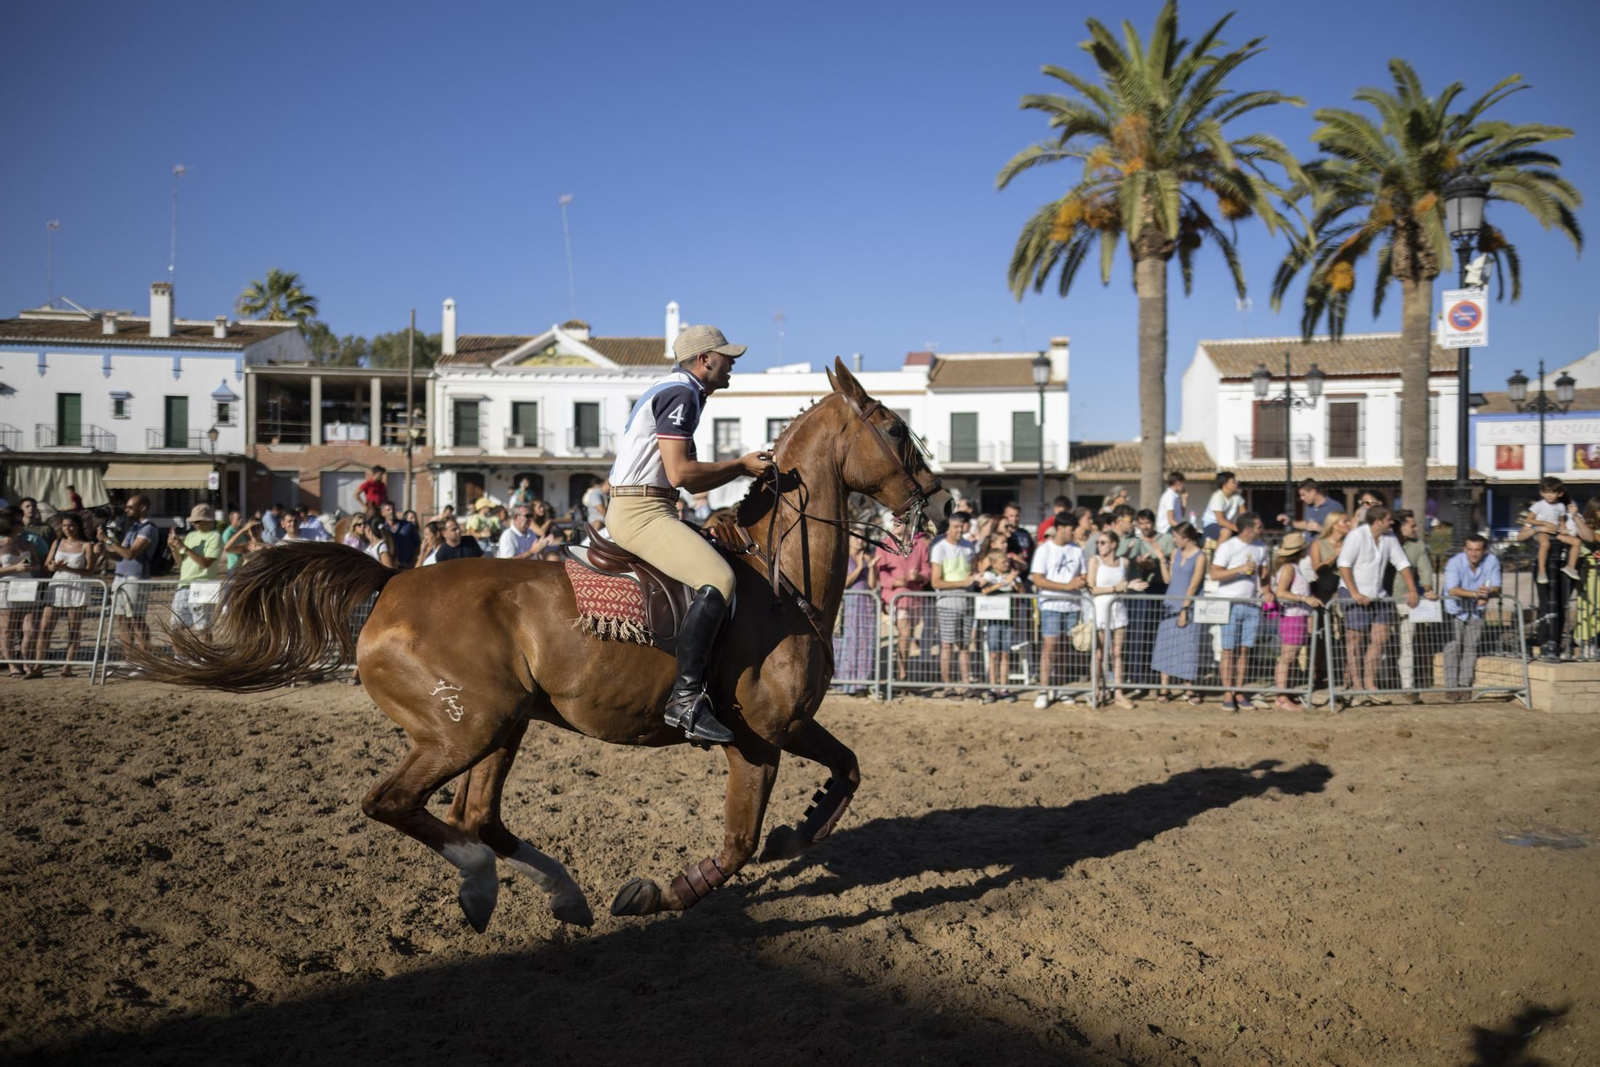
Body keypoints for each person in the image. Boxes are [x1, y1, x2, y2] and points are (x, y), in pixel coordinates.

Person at [603, 323, 769, 745]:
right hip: (641, 510)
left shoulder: (679, 391)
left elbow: (691, 484)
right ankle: (685, 699)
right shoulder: (683, 394)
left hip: (651, 504)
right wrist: (740, 465)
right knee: (721, 579)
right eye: (726, 356)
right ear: (704, 360)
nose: (732, 363)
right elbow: (681, 473)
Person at [1337, 506, 1420, 705]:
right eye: (1389, 519)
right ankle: (1357, 687)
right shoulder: (1356, 536)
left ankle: (1370, 684)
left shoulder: (1390, 538)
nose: (1393, 523)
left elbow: (1402, 563)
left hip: (1379, 595)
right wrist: (1355, 593)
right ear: (1377, 521)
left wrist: (1412, 589)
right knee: (1354, 641)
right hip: (1353, 592)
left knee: (1380, 639)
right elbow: (1344, 565)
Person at [1208, 511, 1268, 712]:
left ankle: (1239, 690)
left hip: (1251, 604)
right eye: (1259, 527)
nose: (1262, 530)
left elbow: (1264, 575)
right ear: (1248, 529)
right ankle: (1228, 692)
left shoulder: (1261, 547)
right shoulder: (1228, 546)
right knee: (1229, 649)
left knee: (1245, 649)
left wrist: (1267, 591)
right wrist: (1239, 570)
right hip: (1230, 604)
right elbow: (1214, 573)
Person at [1030, 518, 1088, 708]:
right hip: (1051, 606)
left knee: (1065, 649)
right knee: (1049, 648)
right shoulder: (1044, 550)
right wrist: (1066, 586)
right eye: (1072, 528)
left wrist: (1081, 581)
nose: (1074, 532)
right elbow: (1038, 579)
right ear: (1061, 528)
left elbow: (1084, 574)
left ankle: (1061, 687)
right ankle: (1044, 690)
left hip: (1072, 606)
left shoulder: (1077, 549)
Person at [1087, 529, 1146, 709]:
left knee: (1117, 653)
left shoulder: (1124, 562)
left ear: (1113, 544)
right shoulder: (1094, 561)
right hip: (1100, 610)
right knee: (1099, 654)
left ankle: (1118, 692)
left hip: (1118, 611)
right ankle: (1096, 690)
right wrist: (1116, 588)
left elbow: (1124, 586)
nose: (1100, 546)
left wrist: (1130, 586)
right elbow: (1092, 588)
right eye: (1098, 543)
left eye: (1103, 542)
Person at [1441, 535, 1503, 701]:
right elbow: (1453, 589)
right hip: (1454, 609)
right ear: (1464, 549)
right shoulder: (1455, 562)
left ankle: (1464, 685)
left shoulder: (1492, 561)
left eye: (1477, 550)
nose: (1474, 554)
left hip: (1476, 610)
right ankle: (1451, 686)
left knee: (1471, 647)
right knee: (1453, 647)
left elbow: (1497, 585)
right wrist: (1476, 594)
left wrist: (1489, 593)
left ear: (1484, 550)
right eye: (1470, 550)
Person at [1151, 522, 1207, 704]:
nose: (1173, 540)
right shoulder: (1175, 553)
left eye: (1176, 537)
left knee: (1188, 646)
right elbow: (1168, 579)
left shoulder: (1200, 557)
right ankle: (1164, 687)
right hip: (1169, 603)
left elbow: (1193, 585)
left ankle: (1189, 688)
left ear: (1186, 538)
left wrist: (1184, 609)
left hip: (1188, 606)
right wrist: (1161, 559)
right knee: (1165, 645)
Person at [99, 494, 160, 660]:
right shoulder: (133, 528)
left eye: (130, 507)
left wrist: (107, 540)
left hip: (136, 577)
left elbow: (131, 553)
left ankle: (144, 659)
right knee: (121, 619)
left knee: (137, 619)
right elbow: (121, 555)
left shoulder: (148, 528)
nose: (126, 510)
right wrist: (105, 551)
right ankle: (129, 658)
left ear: (143, 507)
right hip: (120, 576)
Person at [39, 511, 98, 676]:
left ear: (78, 526)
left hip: (77, 584)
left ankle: (68, 666)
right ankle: (38, 665)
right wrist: (53, 566)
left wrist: (66, 567)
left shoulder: (86, 545)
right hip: (57, 585)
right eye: (64, 525)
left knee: (73, 629)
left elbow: (90, 570)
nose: (68, 529)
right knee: (45, 628)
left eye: (71, 525)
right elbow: (47, 565)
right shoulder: (57, 542)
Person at [877, 511, 932, 684]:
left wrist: (920, 577)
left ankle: (902, 671)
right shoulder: (884, 545)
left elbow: (927, 570)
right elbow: (879, 572)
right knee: (905, 634)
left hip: (914, 598)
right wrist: (894, 582)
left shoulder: (920, 545)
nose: (896, 523)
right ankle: (902, 674)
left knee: (906, 635)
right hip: (893, 598)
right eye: (894, 520)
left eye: (901, 521)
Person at [929, 512, 980, 699]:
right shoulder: (940, 548)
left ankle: (966, 685)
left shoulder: (968, 547)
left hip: (967, 600)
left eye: (962, 526)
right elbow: (936, 582)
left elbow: (973, 573)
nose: (959, 530)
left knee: (965, 645)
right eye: (956, 526)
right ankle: (948, 686)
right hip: (948, 602)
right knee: (947, 645)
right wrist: (963, 583)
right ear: (948, 527)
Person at [1389, 509, 1440, 693]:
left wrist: (1427, 589)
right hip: (1382, 599)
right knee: (1380, 642)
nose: (1416, 528)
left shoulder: (1418, 546)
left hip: (1406, 600)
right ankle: (1382, 680)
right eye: (1412, 525)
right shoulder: (1385, 543)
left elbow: (1425, 570)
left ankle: (1407, 685)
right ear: (1400, 527)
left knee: (1407, 643)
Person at [1270, 533, 1321, 709]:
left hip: (1297, 616)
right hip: (1292, 617)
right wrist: (1305, 599)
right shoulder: (1289, 569)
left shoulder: (1292, 567)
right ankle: (1282, 696)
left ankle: (1286, 693)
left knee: (1290, 658)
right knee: (1287, 658)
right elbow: (1281, 592)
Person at [976, 543, 1024, 704]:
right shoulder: (990, 575)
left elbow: (1022, 592)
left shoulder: (1011, 575)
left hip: (1008, 619)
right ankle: (992, 687)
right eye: (1004, 562)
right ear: (995, 563)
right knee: (993, 654)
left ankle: (1004, 687)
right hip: (993, 620)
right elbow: (984, 590)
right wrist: (1003, 583)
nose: (1007, 564)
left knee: (1005, 653)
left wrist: (1015, 582)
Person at [834, 533, 878, 696]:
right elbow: (844, 583)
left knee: (863, 643)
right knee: (848, 642)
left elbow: (872, 585)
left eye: (862, 538)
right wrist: (859, 567)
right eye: (856, 538)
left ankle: (861, 682)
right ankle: (846, 681)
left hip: (864, 604)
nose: (860, 541)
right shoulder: (844, 558)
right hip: (849, 604)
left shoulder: (867, 557)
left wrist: (871, 567)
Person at [0, 513, 41, 678]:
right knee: (8, 630)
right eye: (18, 522)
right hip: (6, 588)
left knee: (30, 629)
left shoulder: (27, 544)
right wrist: (14, 568)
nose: (22, 524)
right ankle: (12, 665)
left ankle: (26, 661)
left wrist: (29, 567)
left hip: (27, 587)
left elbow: (37, 564)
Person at [170, 505, 222, 630]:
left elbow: (205, 564)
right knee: (175, 627)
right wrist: (173, 548)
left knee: (203, 629)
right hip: (183, 585)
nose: (195, 524)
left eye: (198, 521)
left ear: (208, 520)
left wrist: (183, 547)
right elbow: (181, 564)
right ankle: (179, 650)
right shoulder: (191, 536)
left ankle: (205, 650)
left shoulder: (215, 537)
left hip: (204, 585)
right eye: (193, 521)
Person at [1525, 476, 1581, 585]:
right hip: (1543, 531)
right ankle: (1542, 571)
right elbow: (1529, 519)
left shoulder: (1560, 506)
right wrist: (1543, 523)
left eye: (1553, 492)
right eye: (1546, 492)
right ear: (1542, 493)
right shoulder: (1538, 505)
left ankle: (1570, 567)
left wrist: (1564, 529)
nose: (1549, 495)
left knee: (1576, 542)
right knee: (1545, 544)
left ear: (1559, 493)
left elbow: (1561, 521)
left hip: (1556, 532)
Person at [1278, 478, 1346, 535]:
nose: (1301, 498)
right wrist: (1290, 522)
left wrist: (1320, 529)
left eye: (1303, 495)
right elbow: (1306, 524)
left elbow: (1342, 529)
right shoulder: (1309, 507)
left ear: (1313, 492)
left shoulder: (1335, 506)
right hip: (1309, 549)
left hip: (1326, 549)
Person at [1201, 472, 1242, 546]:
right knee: (1227, 532)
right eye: (1233, 482)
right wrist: (1237, 528)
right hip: (1211, 525)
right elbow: (1221, 521)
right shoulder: (1217, 497)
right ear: (1225, 484)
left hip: (1227, 524)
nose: (1237, 482)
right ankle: (1218, 555)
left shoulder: (1237, 496)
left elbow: (1244, 515)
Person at [380, 501, 421, 568]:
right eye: (388, 510)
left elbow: (417, 544)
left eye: (393, 509)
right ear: (383, 513)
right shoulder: (382, 530)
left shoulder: (407, 526)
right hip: (390, 566)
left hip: (407, 565)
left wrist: (413, 561)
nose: (391, 512)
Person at [1000, 501, 1035, 566]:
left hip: (1024, 571)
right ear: (1004, 516)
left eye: (1017, 516)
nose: (1014, 519)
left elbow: (1031, 552)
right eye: (1011, 516)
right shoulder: (1001, 534)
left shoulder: (1025, 534)